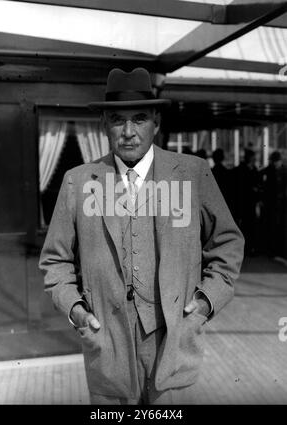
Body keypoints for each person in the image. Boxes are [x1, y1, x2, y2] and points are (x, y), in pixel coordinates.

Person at [39, 68, 244, 405]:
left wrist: (205, 304)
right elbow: (55, 259)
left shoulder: (192, 173)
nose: (129, 132)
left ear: (156, 122)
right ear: (104, 124)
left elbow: (228, 242)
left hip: (175, 341)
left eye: (139, 118)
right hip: (108, 346)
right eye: (118, 120)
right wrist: (76, 309)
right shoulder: (78, 181)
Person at [231, 149, 260, 256]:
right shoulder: (249, 170)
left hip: (244, 204)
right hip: (246, 203)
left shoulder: (240, 169)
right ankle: (248, 248)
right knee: (248, 226)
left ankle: (245, 248)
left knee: (245, 226)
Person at [260, 151, 287, 258]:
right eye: (274, 162)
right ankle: (272, 250)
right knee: (272, 226)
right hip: (272, 204)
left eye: (276, 162)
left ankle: (277, 250)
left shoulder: (284, 171)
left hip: (280, 205)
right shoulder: (270, 170)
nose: (275, 164)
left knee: (279, 227)